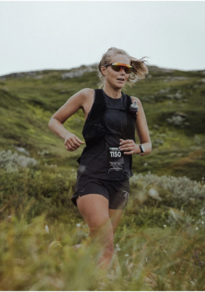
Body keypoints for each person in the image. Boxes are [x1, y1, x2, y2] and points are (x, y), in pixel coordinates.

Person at [48, 47, 152, 271]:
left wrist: (137, 148)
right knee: (107, 247)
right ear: (104, 69)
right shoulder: (88, 96)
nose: (123, 73)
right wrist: (67, 135)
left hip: (120, 180)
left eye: (127, 69)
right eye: (117, 68)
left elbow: (148, 145)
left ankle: (63, 253)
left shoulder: (134, 104)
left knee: (98, 245)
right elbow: (55, 120)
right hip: (93, 177)